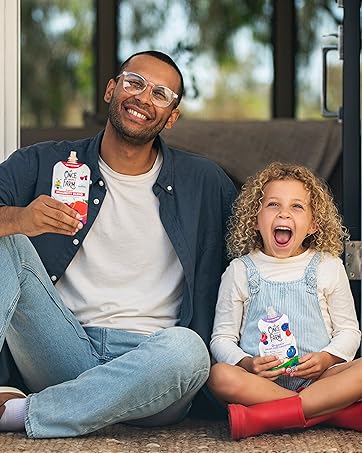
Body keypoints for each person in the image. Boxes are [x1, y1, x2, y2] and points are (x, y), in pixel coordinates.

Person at [0, 50, 237, 438]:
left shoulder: (204, 181)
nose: (144, 98)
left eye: (161, 94)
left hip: (155, 365)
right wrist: (20, 219)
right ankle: (85, 407)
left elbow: (255, 250)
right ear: (112, 89)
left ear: (172, 117)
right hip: (63, 348)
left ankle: (20, 413)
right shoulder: (44, 162)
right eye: (135, 82)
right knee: (5, 242)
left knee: (189, 351)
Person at [207, 162, 362, 440]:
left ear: (314, 224)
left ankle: (266, 416)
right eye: (273, 205)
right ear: (254, 219)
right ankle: (330, 411)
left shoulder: (328, 266)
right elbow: (221, 338)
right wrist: (246, 364)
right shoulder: (240, 270)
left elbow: (349, 332)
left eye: (297, 207)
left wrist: (326, 358)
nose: (284, 214)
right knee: (218, 375)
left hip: (319, 379)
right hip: (260, 383)